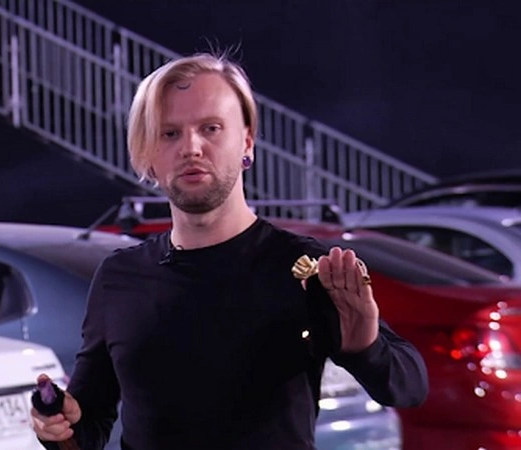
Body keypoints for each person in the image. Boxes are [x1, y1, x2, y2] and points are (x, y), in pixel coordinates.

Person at [31, 51, 429, 450]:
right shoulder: (119, 278)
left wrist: (365, 347)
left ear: (247, 143)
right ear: (147, 157)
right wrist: (59, 425)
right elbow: (88, 425)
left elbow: (409, 387)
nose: (191, 147)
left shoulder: (301, 269)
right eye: (169, 134)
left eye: (211, 128)